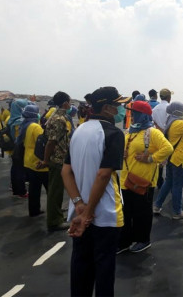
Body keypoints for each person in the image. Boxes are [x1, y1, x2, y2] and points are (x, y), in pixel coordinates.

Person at [61, 86, 129, 297]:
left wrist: (79, 204)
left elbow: (66, 171)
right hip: (105, 214)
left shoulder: (79, 130)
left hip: (79, 214)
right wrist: (89, 212)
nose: (121, 110)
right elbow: (103, 175)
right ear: (107, 108)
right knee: (104, 271)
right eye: (118, 105)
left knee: (80, 266)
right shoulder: (113, 134)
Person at [117, 101, 172, 254]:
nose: (132, 116)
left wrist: (150, 158)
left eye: (134, 113)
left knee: (142, 213)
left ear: (143, 115)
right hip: (126, 180)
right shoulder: (129, 132)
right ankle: (124, 241)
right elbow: (123, 151)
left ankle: (143, 240)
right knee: (126, 212)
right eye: (131, 113)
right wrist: (122, 155)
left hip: (144, 181)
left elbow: (168, 148)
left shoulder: (152, 132)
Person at [37, 91, 71, 232]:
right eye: (69, 101)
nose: (70, 104)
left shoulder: (56, 116)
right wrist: (45, 160)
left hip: (58, 158)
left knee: (56, 190)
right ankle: (54, 222)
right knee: (55, 191)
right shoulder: (59, 119)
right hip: (57, 159)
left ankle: (56, 215)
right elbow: (51, 142)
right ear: (65, 103)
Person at [19, 105, 49, 216]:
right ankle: (54, 210)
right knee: (51, 189)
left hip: (29, 161)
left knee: (34, 189)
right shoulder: (36, 127)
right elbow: (43, 143)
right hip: (39, 162)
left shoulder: (26, 125)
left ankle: (34, 210)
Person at [8, 99, 31, 197]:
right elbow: (19, 138)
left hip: (14, 148)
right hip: (20, 148)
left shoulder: (12, 119)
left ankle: (15, 189)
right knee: (20, 170)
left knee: (15, 169)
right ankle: (21, 191)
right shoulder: (19, 122)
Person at [152, 88, 173, 188]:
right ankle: (167, 181)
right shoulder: (170, 108)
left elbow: (153, 122)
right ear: (169, 97)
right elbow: (172, 122)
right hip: (168, 135)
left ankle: (159, 179)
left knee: (159, 157)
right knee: (169, 157)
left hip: (158, 134)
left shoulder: (155, 108)